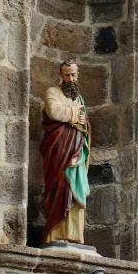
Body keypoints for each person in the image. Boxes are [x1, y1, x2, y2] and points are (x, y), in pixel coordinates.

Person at [39, 60, 91, 247]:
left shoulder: (80, 99)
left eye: (74, 74)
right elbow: (53, 111)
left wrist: (83, 122)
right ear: (61, 75)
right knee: (61, 185)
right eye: (67, 74)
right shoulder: (53, 92)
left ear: (78, 74)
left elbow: (84, 123)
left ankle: (75, 234)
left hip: (77, 150)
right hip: (59, 149)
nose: (71, 78)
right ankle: (55, 232)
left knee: (77, 188)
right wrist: (75, 115)